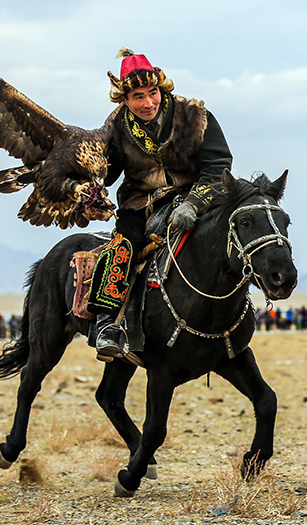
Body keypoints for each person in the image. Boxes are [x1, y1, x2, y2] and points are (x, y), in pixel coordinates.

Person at [87, 48, 233, 362]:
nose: (148, 103)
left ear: (161, 88)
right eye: (138, 97)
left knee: (230, 236)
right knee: (123, 246)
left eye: (152, 93)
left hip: (195, 196)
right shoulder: (115, 127)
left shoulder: (194, 115)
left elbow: (218, 164)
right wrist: (89, 189)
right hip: (140, 203)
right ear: (124, 99)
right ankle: (107, 324)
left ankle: (239, 310)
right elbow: (106, 173)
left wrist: (193, 203)